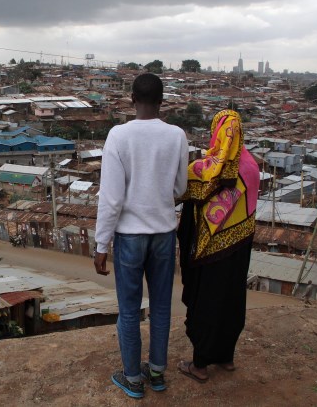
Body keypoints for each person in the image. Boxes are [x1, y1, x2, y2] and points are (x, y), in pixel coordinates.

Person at [94, 73, 189, 399]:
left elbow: (111, 198)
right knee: (161, 307)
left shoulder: (118, 136)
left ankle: (133, 378)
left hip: (130, 237)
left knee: (129, 310)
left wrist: (101, 244)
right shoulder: (176, 135)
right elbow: (180, 187)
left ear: (132, 99)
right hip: (163, 234)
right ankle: (157, 373)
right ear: (162, 101)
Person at [177, 109, 260, 383]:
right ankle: (226, 357)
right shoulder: (252, 166)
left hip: (210, 252)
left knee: (207, 303)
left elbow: (179, 191)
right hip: (241, 245)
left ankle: (200, 364)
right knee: (232, 300)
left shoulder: (206, 169)